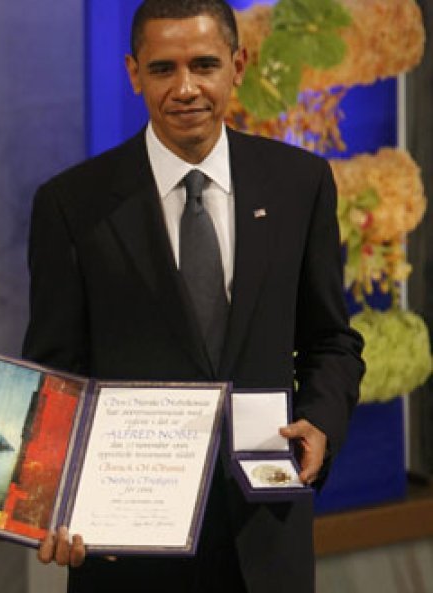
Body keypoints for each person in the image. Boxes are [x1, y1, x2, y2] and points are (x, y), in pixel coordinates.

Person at [23, 1, 364, 592]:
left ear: (239, 64)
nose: (186, 89)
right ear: (133, 73)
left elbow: (332, 340)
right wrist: (53, 497)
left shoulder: (300, 183)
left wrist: (321, 422)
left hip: (265, 545)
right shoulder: (70, 206)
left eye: (204, 65)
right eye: (163, 69)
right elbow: (55, 374)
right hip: (125, 555)